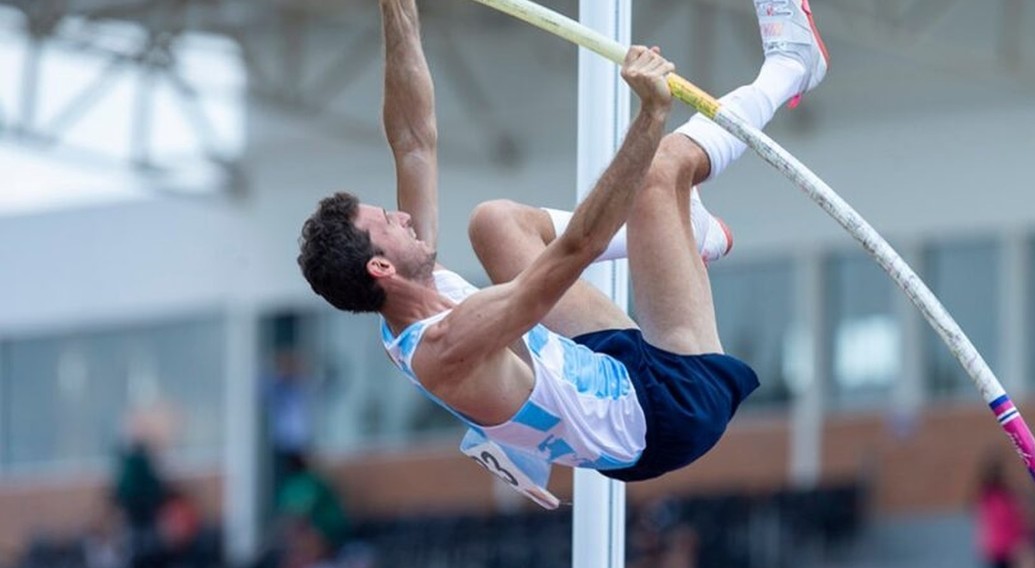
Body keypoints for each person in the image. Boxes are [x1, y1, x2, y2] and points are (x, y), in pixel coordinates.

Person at [296, 0, 828, 504]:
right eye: (388, 223)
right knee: (658, 173)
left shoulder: (406, 301)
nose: (403, 216)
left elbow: (412, 139)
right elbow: (578, 247)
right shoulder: (448, 343)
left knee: (493, 223)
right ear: (382, 267)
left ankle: (683, 231)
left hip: (596, 368)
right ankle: (792, 65)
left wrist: (398, 8)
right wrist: (649, 116)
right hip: (667, 408)